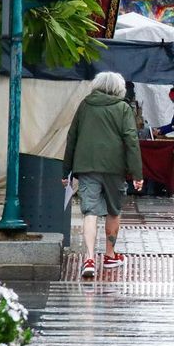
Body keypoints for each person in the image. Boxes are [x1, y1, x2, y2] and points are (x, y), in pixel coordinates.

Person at [62, 71, 143, 280]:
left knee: (90, 212)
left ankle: (89, 258)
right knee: (113, 211)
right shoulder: (123, 108)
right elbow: (131, 140)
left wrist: (66, 171)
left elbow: (72, 137)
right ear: (119, 89)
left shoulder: (85, 105)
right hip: (115, 168)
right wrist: (137, 173)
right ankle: (109, 255)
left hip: (87, 166)